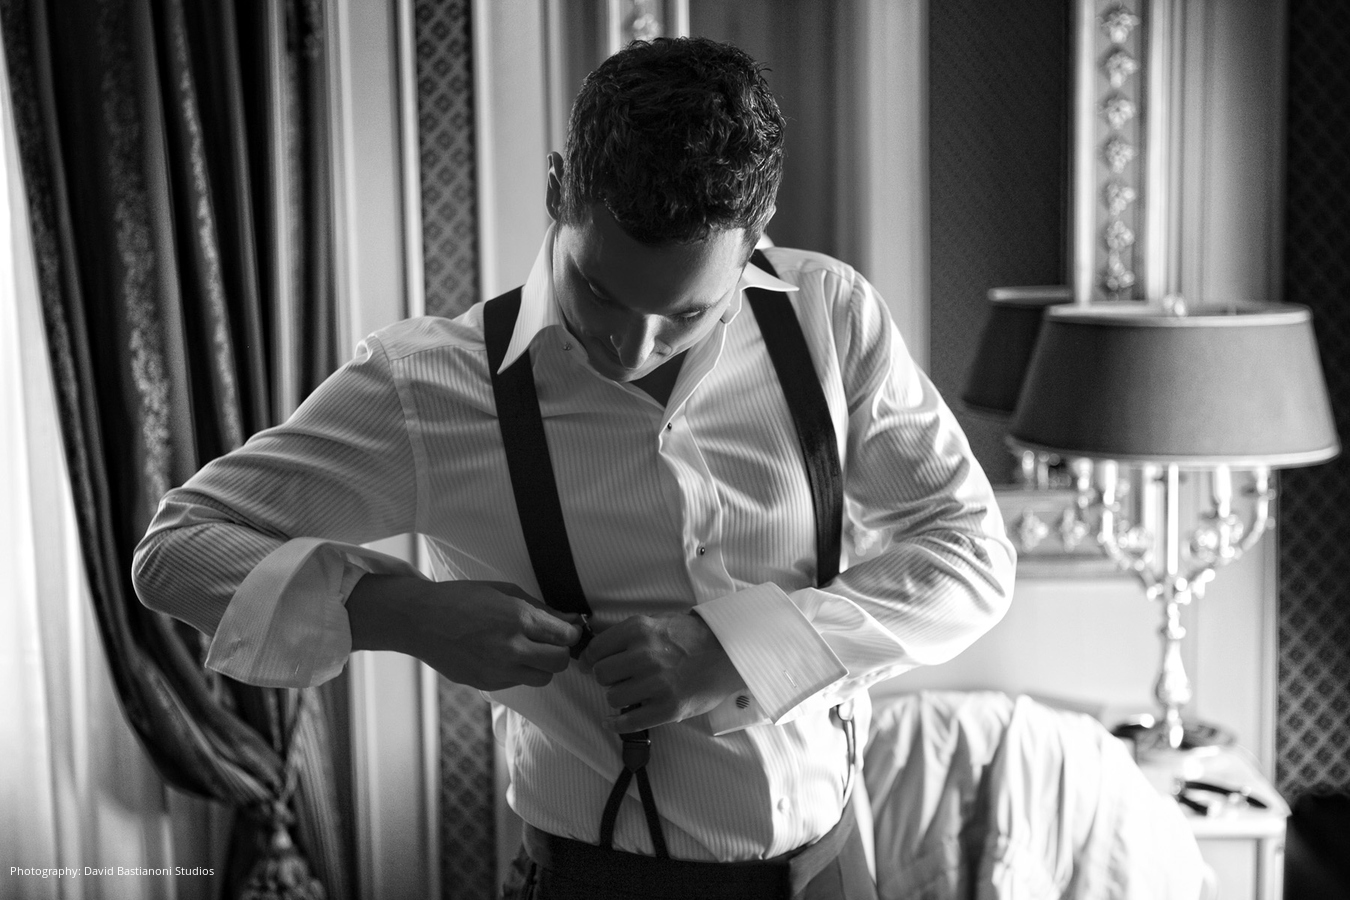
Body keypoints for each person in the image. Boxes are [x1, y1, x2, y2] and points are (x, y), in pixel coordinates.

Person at [133, 36, 1014, 900]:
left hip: (836, 869)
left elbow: (970, 554)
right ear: (559, 188)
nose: (631, 347)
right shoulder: (427, 387)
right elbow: (176, 550)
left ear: (757, 233)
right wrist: (403, 615)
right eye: (599, 291)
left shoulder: (832, 317)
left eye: (686, 315)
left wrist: (737, 652)